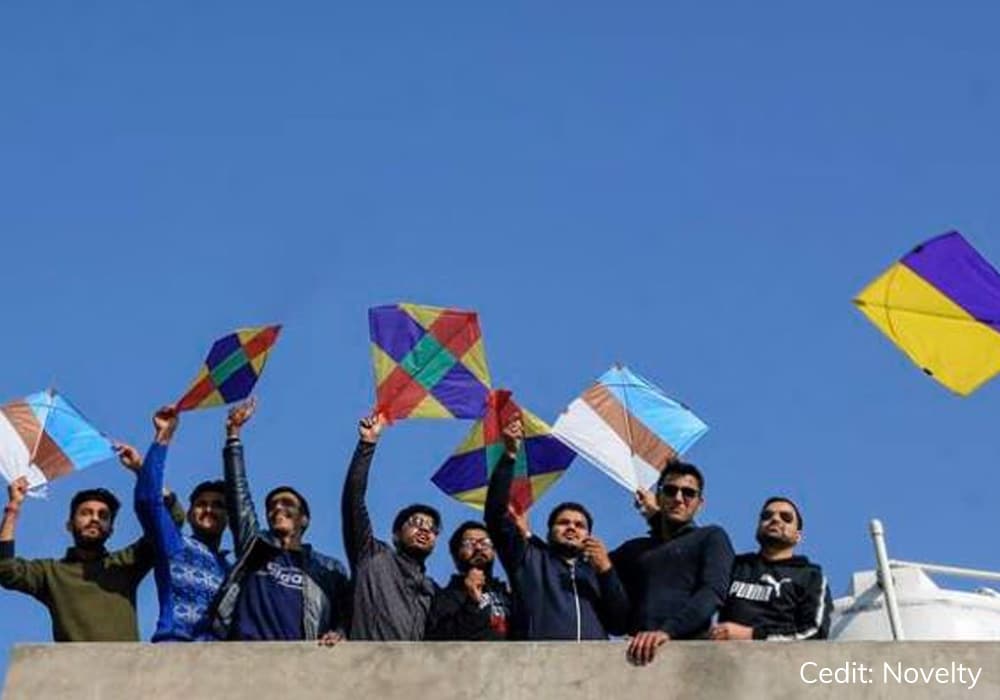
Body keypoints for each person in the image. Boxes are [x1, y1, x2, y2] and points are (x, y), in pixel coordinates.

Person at [209, 398, 350, 642]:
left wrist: (338, 633)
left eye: (287, 504)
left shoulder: (328, 570)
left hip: (300, 664)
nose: (277, 509)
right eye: (272, 506)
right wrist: (233, 435)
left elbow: (345, 616)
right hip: (245, 659)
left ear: (304, 519)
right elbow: (238, 495)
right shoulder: (255, 547)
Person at [484, 417, 629, 640]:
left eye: (580, 525)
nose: (571, 527)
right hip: (538, 668)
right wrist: (510, 456)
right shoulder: (528, 559)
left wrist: (607, 572)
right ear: (549, 531)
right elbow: (494, 516)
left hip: (593, 670)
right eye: (563, 523)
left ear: (588, 536)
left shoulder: (596, 573)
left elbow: (619, 625)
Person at [0, 465, 181, 641]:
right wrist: (13, 508)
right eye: (86, 513)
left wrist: (142, 470)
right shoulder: (51, 573)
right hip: (74, 669)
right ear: (69, 525)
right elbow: (6, 570)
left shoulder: (124, 563)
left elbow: (173, 521)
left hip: (125, 668)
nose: (95, 519)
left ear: (110, 530)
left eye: (103, 516)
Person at [116, 405, 231, 641]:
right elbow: (149, 501)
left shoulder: (232, 570)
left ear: (229, 517)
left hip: (223, 666)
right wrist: (163, 436)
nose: (209, 509)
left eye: (218, 505)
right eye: (201, 504)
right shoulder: (176, 545)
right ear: (189, 515)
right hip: (175, 653)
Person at [611, 461, 735, 665]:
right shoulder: (634, 550)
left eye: (688, 493)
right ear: (658, 497)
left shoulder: (710, 537)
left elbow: (712, 593)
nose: (678, 498)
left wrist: (667, 631)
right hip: (635, 659)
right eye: (670, 491)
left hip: (689, 659)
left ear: (699, 503)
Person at [342, 413, 440, 640]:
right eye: (416, 523)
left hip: (410, 673)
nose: (425, 530)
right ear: (396, 535)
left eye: (432, 528)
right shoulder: (373, 556)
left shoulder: (432, 590)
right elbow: (353, 500)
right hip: (366, 667)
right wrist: (367, 445)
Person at [710, 497, 831, 641]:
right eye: (767, 516)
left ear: (798, 536)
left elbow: (814, 632)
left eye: (786, 517)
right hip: (723, 658)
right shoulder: (734, 566)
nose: (775, 519)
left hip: (780, 659)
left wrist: (753, 635)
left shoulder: (811, 577)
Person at [425, 520, 513, 640]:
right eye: (469, 544)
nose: (478, 547)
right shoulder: (445, 597)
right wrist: (472, 603)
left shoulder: (508, 595)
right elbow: (440, 641)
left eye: (485, 543)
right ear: (455, 555)